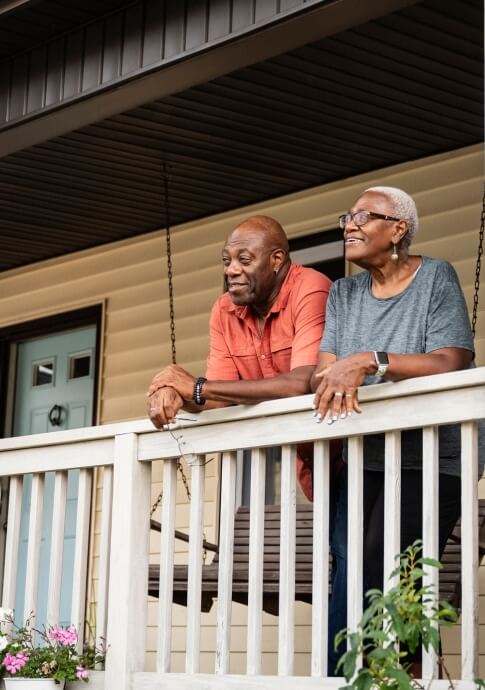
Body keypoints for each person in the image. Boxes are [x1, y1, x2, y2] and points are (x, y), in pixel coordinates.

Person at [311, 185, 484, 675]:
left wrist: (371, 361)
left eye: (364, 216)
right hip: (367, 455)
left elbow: (452, 360)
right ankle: (380, 676)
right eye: (347, 216)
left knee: (386, 567)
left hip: (435, 456)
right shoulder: (343, 293)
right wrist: (347, 368)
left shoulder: (435, 278)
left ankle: (396, 677)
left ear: (399, 229)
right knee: (361, 573)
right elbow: (326, 372)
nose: (350, 224)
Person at [148, 214, 333, 499]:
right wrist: (179, 395)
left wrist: (198, 387)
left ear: (276, 260)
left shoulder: (310, 287)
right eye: (226, 261)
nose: (231, 270)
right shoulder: (224, 311)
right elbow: (218, 397)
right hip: (307, 462)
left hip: (350, 449)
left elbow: (302, 383)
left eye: (244, 260)